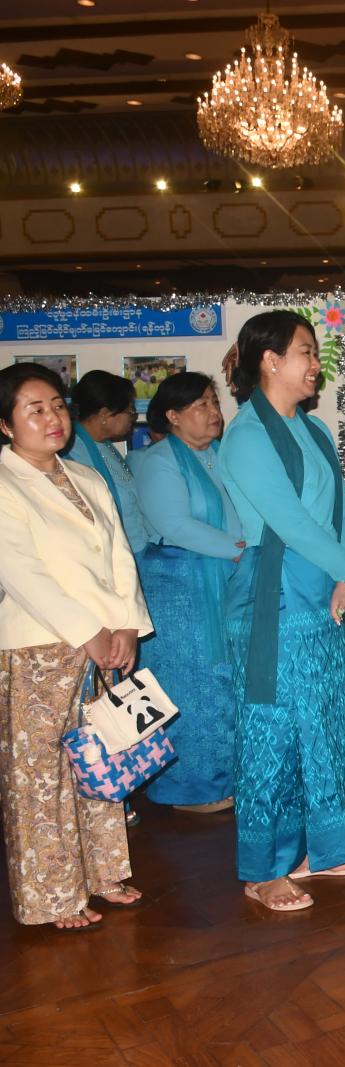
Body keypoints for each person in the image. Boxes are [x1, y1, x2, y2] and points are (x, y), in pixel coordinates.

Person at [219, 310, 345, 913]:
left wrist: (343, 576)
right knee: (273, 730)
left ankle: (322, 850)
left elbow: (338, 513)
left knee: (325, 719)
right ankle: (264, 870)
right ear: (270, 360)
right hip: (273, 594)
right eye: (306, 352)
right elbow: (289, 522)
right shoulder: (247, 436)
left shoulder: (310, 428)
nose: (316, 365)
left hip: (319, 587)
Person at [0, 362, 150, 930]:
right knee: (41, 775)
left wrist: (127, 625)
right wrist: (89, 631)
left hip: (104, 644)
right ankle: (53, 896)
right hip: (40, 644)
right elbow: (21, 571)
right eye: (34, 409)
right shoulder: (5, 482)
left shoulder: (85, 475)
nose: (52, 418)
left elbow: (119, 557)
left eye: (58, 406)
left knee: (100, 758)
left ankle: (102, 871)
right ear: (6, 425)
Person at [133, 372, 243, 814]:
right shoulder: (158, 461)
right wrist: (241, 550)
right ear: (173, 416)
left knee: (226, 681)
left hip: (225, 577)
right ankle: (189, 788)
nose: (214, 412)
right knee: (191, 685)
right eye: (201, 405)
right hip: (179, 585)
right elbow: (175, 524)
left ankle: (227, 776)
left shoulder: (220, 454)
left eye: (214, 402)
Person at [65, 369, 153, 555]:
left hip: (135, 548)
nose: (133, 417)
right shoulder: (72, 455)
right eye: (129, 411)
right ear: (105, 415)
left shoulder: (105, 446)